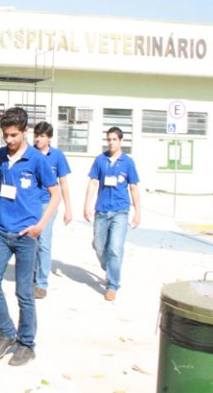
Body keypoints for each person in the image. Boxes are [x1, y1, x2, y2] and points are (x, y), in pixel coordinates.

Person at [0, 107, 59, 366]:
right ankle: (6, 333)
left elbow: (55, 194)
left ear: (24, 131)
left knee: (24, 292)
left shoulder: (38, 160)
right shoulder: (0, 157)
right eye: (5, 135)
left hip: (26, 235)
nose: (9, 140)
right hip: (2, 232)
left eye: (13, 135)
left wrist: (39, 226)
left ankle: (27, 344)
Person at [83, 126, 141, 302]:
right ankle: (109, 268)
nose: (111, 142)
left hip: (120, 211)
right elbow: (93, 182)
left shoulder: (128, 162)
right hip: (101, 210)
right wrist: (87, 205)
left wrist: (138, 212)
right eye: (109, 139)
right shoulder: (100, 160)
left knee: (115, 248)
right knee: (99, 246)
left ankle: (112, 285)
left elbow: (133, 187)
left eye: (114, 139)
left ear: (121, 141)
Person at [32, 121, 72, 299]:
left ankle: (41, 283)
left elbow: (63, 183)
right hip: (30, 204)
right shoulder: (29, 153)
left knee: (44, 243)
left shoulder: (57, 156)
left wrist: (68, 209)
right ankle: (32, 273)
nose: (38, 139)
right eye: (36, 135)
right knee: (29, 242)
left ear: (49, 138)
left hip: (48, 204)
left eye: (42, 136)